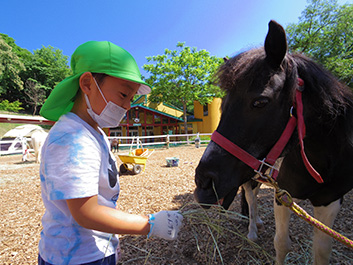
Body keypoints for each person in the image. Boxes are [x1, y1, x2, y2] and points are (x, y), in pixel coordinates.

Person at [38, 41, 183, 265]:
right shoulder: (71, 138)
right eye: (123, 94)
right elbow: (86, 212)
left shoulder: (95, 132)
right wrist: (150, 224)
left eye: (131, 98)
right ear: (87, 83)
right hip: (77, 257)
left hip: (96, 248)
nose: (127, 106)